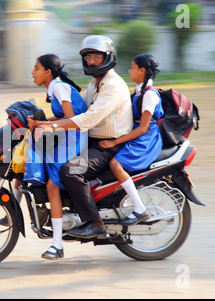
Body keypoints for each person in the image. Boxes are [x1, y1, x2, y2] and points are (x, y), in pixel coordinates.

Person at [28, 35, 133, 239]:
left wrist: (53, 126)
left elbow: (88, 118)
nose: (91, 61)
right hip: (94, 142)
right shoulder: (95, 84)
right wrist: (44, 123)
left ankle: (95, 223)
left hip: (108, 145)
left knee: (70, 171)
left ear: (109, 57)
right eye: (88, 57)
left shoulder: (113, 85)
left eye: (96, 57)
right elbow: (79, 112)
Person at [30, 54, 88, 260]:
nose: (32, 72)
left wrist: (47, 125)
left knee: (52, 184)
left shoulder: (59, 87)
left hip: (75, 138)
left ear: (48, 72)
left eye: (36, 68)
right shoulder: (54, 88)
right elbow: (63, 117)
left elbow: (72, 120)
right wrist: (41, 122)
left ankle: (57, 244)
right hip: (69, 135)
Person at [98, 54, 163, 225]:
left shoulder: (149, 95)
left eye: (133, 67)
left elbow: (143, 127)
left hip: (146, 139)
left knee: (115, 164)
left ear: (142, 70)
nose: (129, 70)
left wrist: (114, 141)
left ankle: (140, 209)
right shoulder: (139, 91)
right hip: (138, 134)